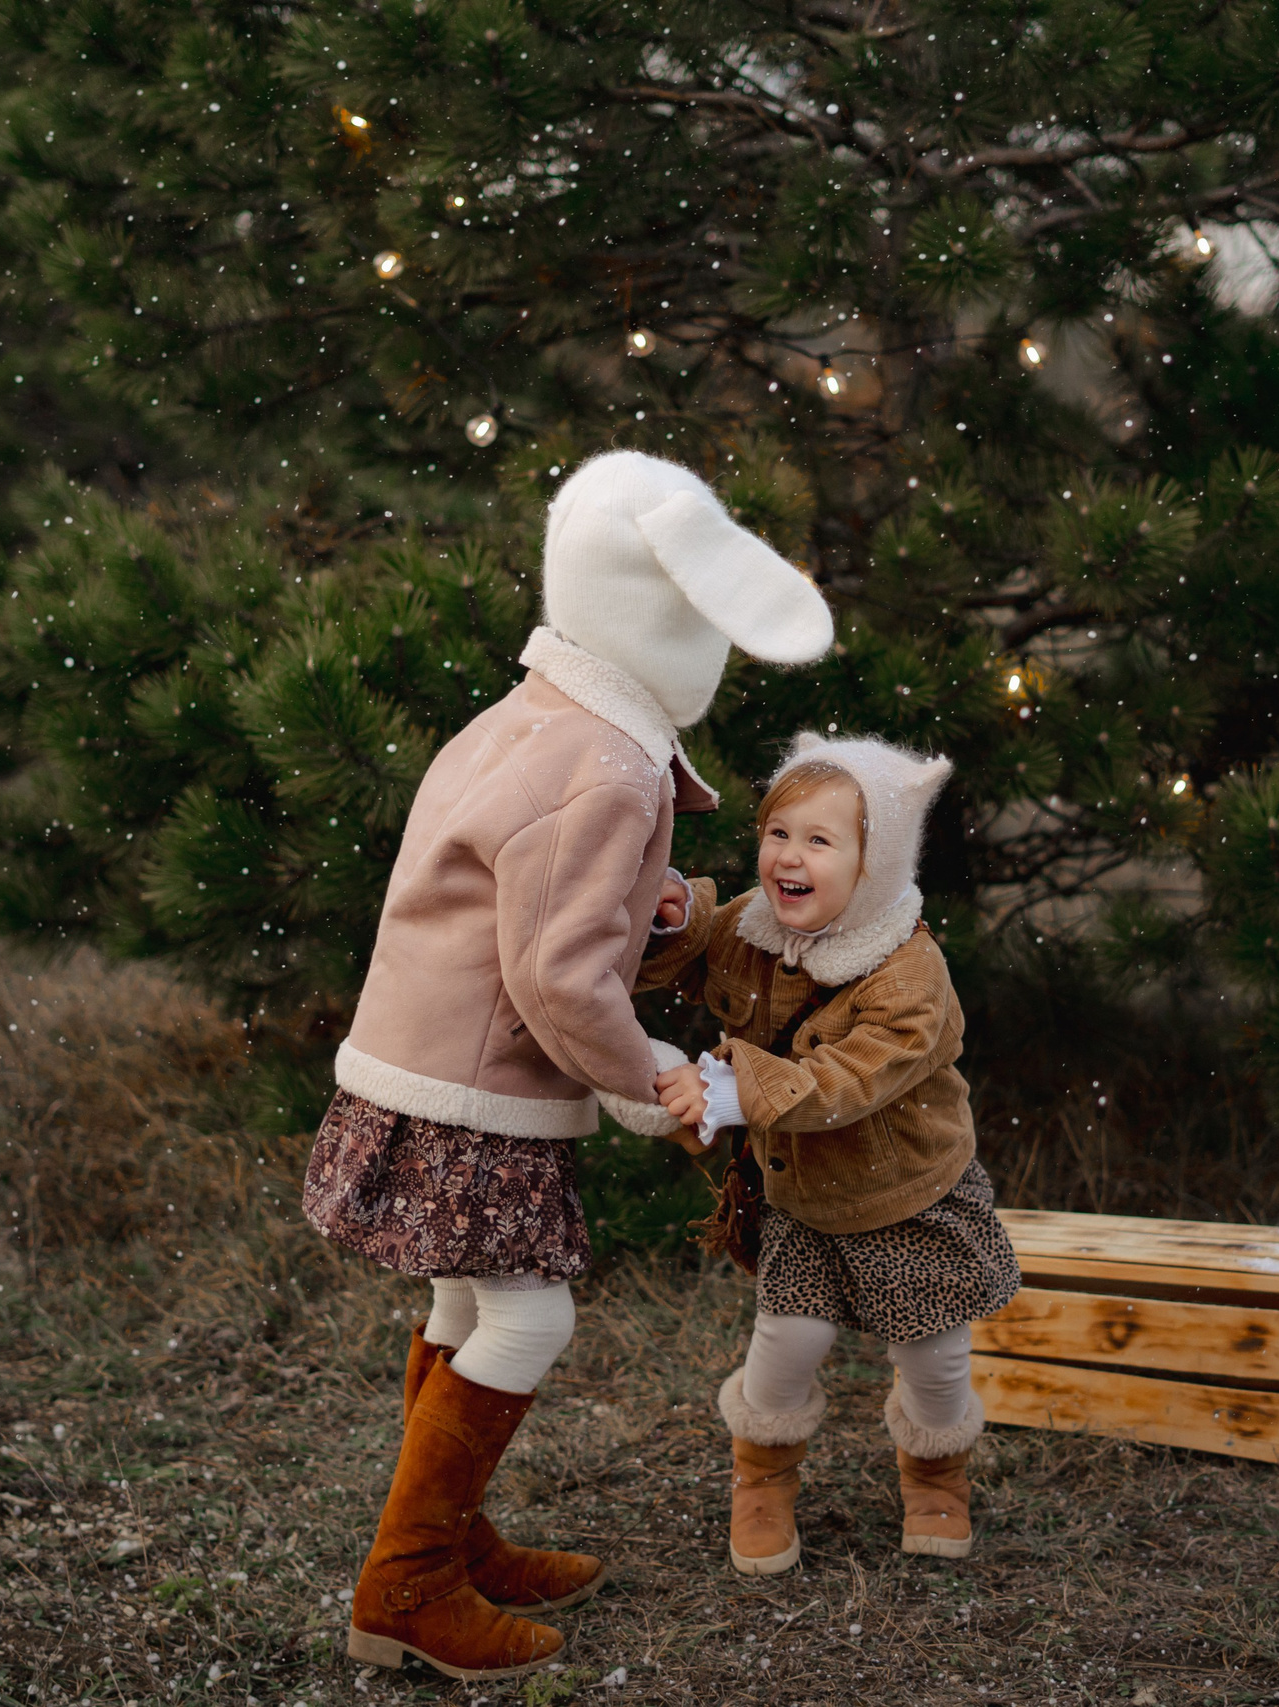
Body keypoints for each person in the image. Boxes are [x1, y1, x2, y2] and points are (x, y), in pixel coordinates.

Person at [301, 451, 832, 1682]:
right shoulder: (608, 762)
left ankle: (451, 1535)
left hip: (412, 1061)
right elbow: (551, 977)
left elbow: (503, 884)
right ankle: (406, 1582)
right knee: (531, 1315)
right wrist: (642, 1074)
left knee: (468, 1299)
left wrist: (636, 906)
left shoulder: (533, 715)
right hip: (478, 1085)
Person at [637, 733, 1021, 1574]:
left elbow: (849, 1077)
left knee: (932, 1352)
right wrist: (669, 913)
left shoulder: (908, 975)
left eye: (820, 840)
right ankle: (763, 1478)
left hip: (908, 1194)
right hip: (806, 1197)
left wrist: (740, 1090)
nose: (789, 856)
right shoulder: (754, 924)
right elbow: (700, 945)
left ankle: (935, 1472)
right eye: (779, 832)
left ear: (873, 863)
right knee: (789, 1339)